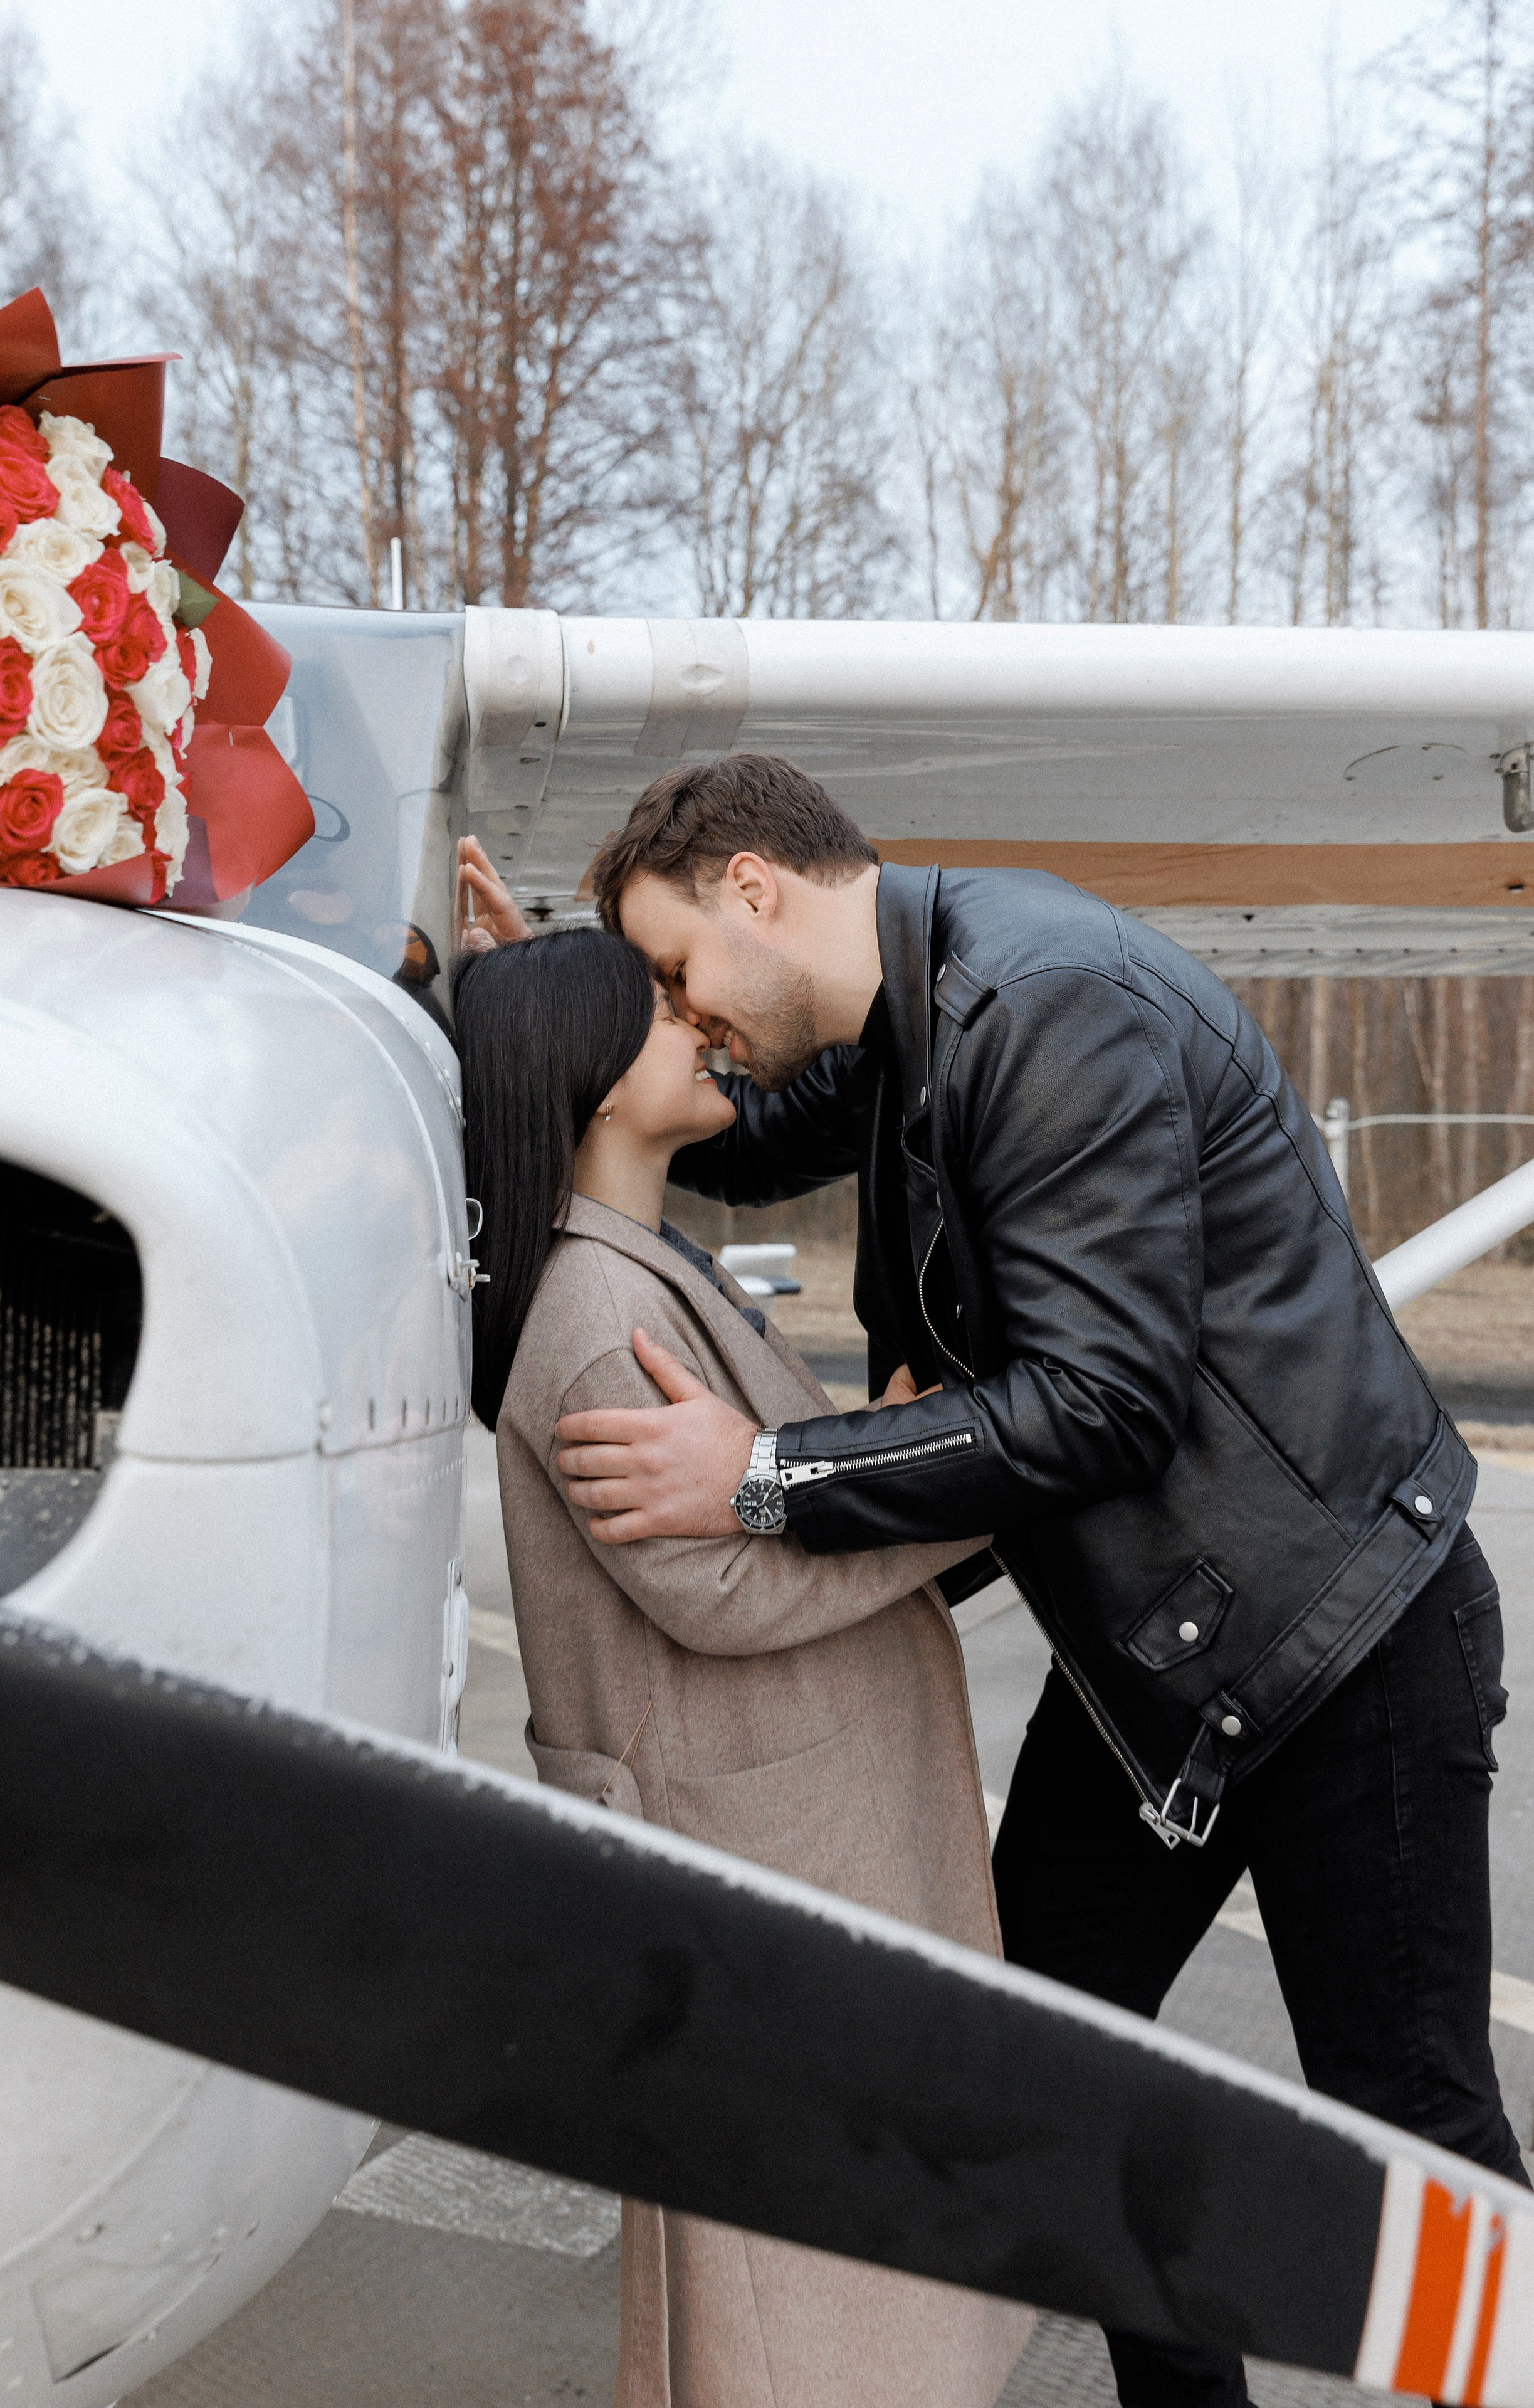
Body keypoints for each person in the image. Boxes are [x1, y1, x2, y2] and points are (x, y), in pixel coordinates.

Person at [456, 766, 1526, 2408]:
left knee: (1415, 2126)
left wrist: (766, 1475)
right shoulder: (893, 1015)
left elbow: (1106, 1403)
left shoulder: (1047, 1003)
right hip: (1161, 1671)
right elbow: (712, 1139)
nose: (687, 1016)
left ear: (755, 890)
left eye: (674, 974)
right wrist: (548, 1018)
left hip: (1337, 1644)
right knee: (1046, 2069)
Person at [451, 920, 1034, 2408]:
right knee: (793, 2303)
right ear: (587, 1082)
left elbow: (754, 1488)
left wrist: (869, 1452)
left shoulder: (637, 1263)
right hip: (759, 1854)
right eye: (655, 1012)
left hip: (791, 1835)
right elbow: (715, 1582)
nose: (698, 1024)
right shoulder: (595, 1319)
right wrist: (939, 1479)